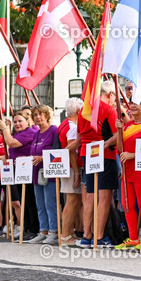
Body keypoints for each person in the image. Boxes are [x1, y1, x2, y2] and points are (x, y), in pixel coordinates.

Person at [78, 80, 119, 247]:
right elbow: (116, 135)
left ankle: (86, 235)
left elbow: (80, 134)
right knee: (104, 196)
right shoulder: (109, 109)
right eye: (114, 97)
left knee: (90, 196)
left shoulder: (84, 110)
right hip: (104, 153)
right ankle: (99, 236)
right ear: (110, 94)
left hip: (87, 153)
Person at [117, 96, 141, 248]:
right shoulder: (128, 125)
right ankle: (133, 238)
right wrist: (119, 131)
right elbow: (120, 148)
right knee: (128, 204)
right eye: (131, 103)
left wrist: (133, 155)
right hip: (127, 171)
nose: (132, 106)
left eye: (136, 103)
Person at [0, 110, 39, 241]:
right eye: (15, 121)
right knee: (23, 201)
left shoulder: (30, 132)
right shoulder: (18, 134)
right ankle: (26, 228)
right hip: (19, 170)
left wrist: (4, 128)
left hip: (29, 170)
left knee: (30, 201)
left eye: (20, 121)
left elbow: (11, 143)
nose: (17, 124)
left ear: (27, 121)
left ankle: (33, 229)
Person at [27, 105, 60, 245]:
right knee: (40, 203)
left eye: (40, 114)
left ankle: (54, 231)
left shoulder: (54, 131)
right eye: (35, 115)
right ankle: (43, 231)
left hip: (50, 173)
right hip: (37, 173)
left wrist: (42, 158)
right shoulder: (37, 133)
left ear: (47, 115)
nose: (37, 117)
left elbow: (58, 151)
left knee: (50, 202)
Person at [58, 98, 83, 244]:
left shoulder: (64, 124)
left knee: (72, 200)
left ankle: (69, 233)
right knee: (72, 201)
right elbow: (71, 151)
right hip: (72, 166)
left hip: (68, 166)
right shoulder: (72, 126)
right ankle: (66, 234)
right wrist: (77, 172)